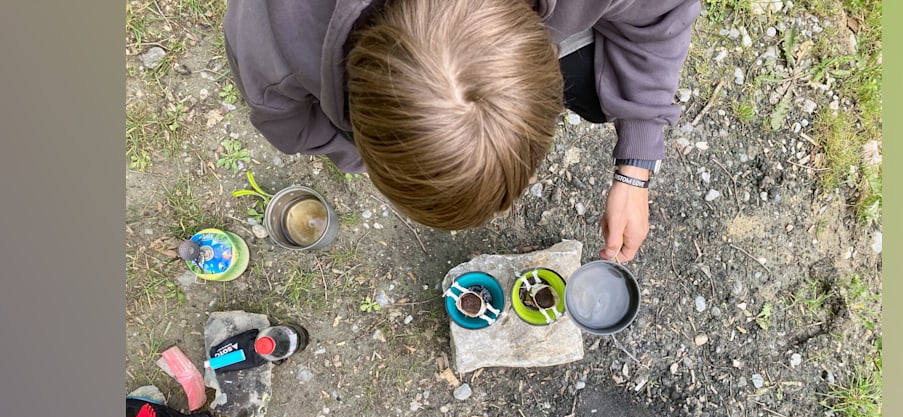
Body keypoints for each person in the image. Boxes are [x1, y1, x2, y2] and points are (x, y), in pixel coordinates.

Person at [224, 0, 699, 262]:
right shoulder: (270, 37)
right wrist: (366, 158)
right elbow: (288, 126)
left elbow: (662, 16)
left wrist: (636, 162)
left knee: (599, 96)